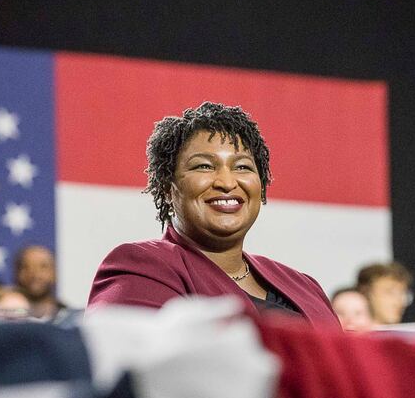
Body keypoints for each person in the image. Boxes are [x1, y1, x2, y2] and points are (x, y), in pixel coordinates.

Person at [88, 102, 339, 327]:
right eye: (204, 166)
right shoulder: (139, 267)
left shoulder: (305, 286)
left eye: (242, 167)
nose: (227, 182)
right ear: (167, 188)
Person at [14, 245, 64, 319]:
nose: (34, 274)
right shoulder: (1, 318)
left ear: (54, 273)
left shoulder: (70, 319)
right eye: (26, 267)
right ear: (16, 273)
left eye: (43, 267)